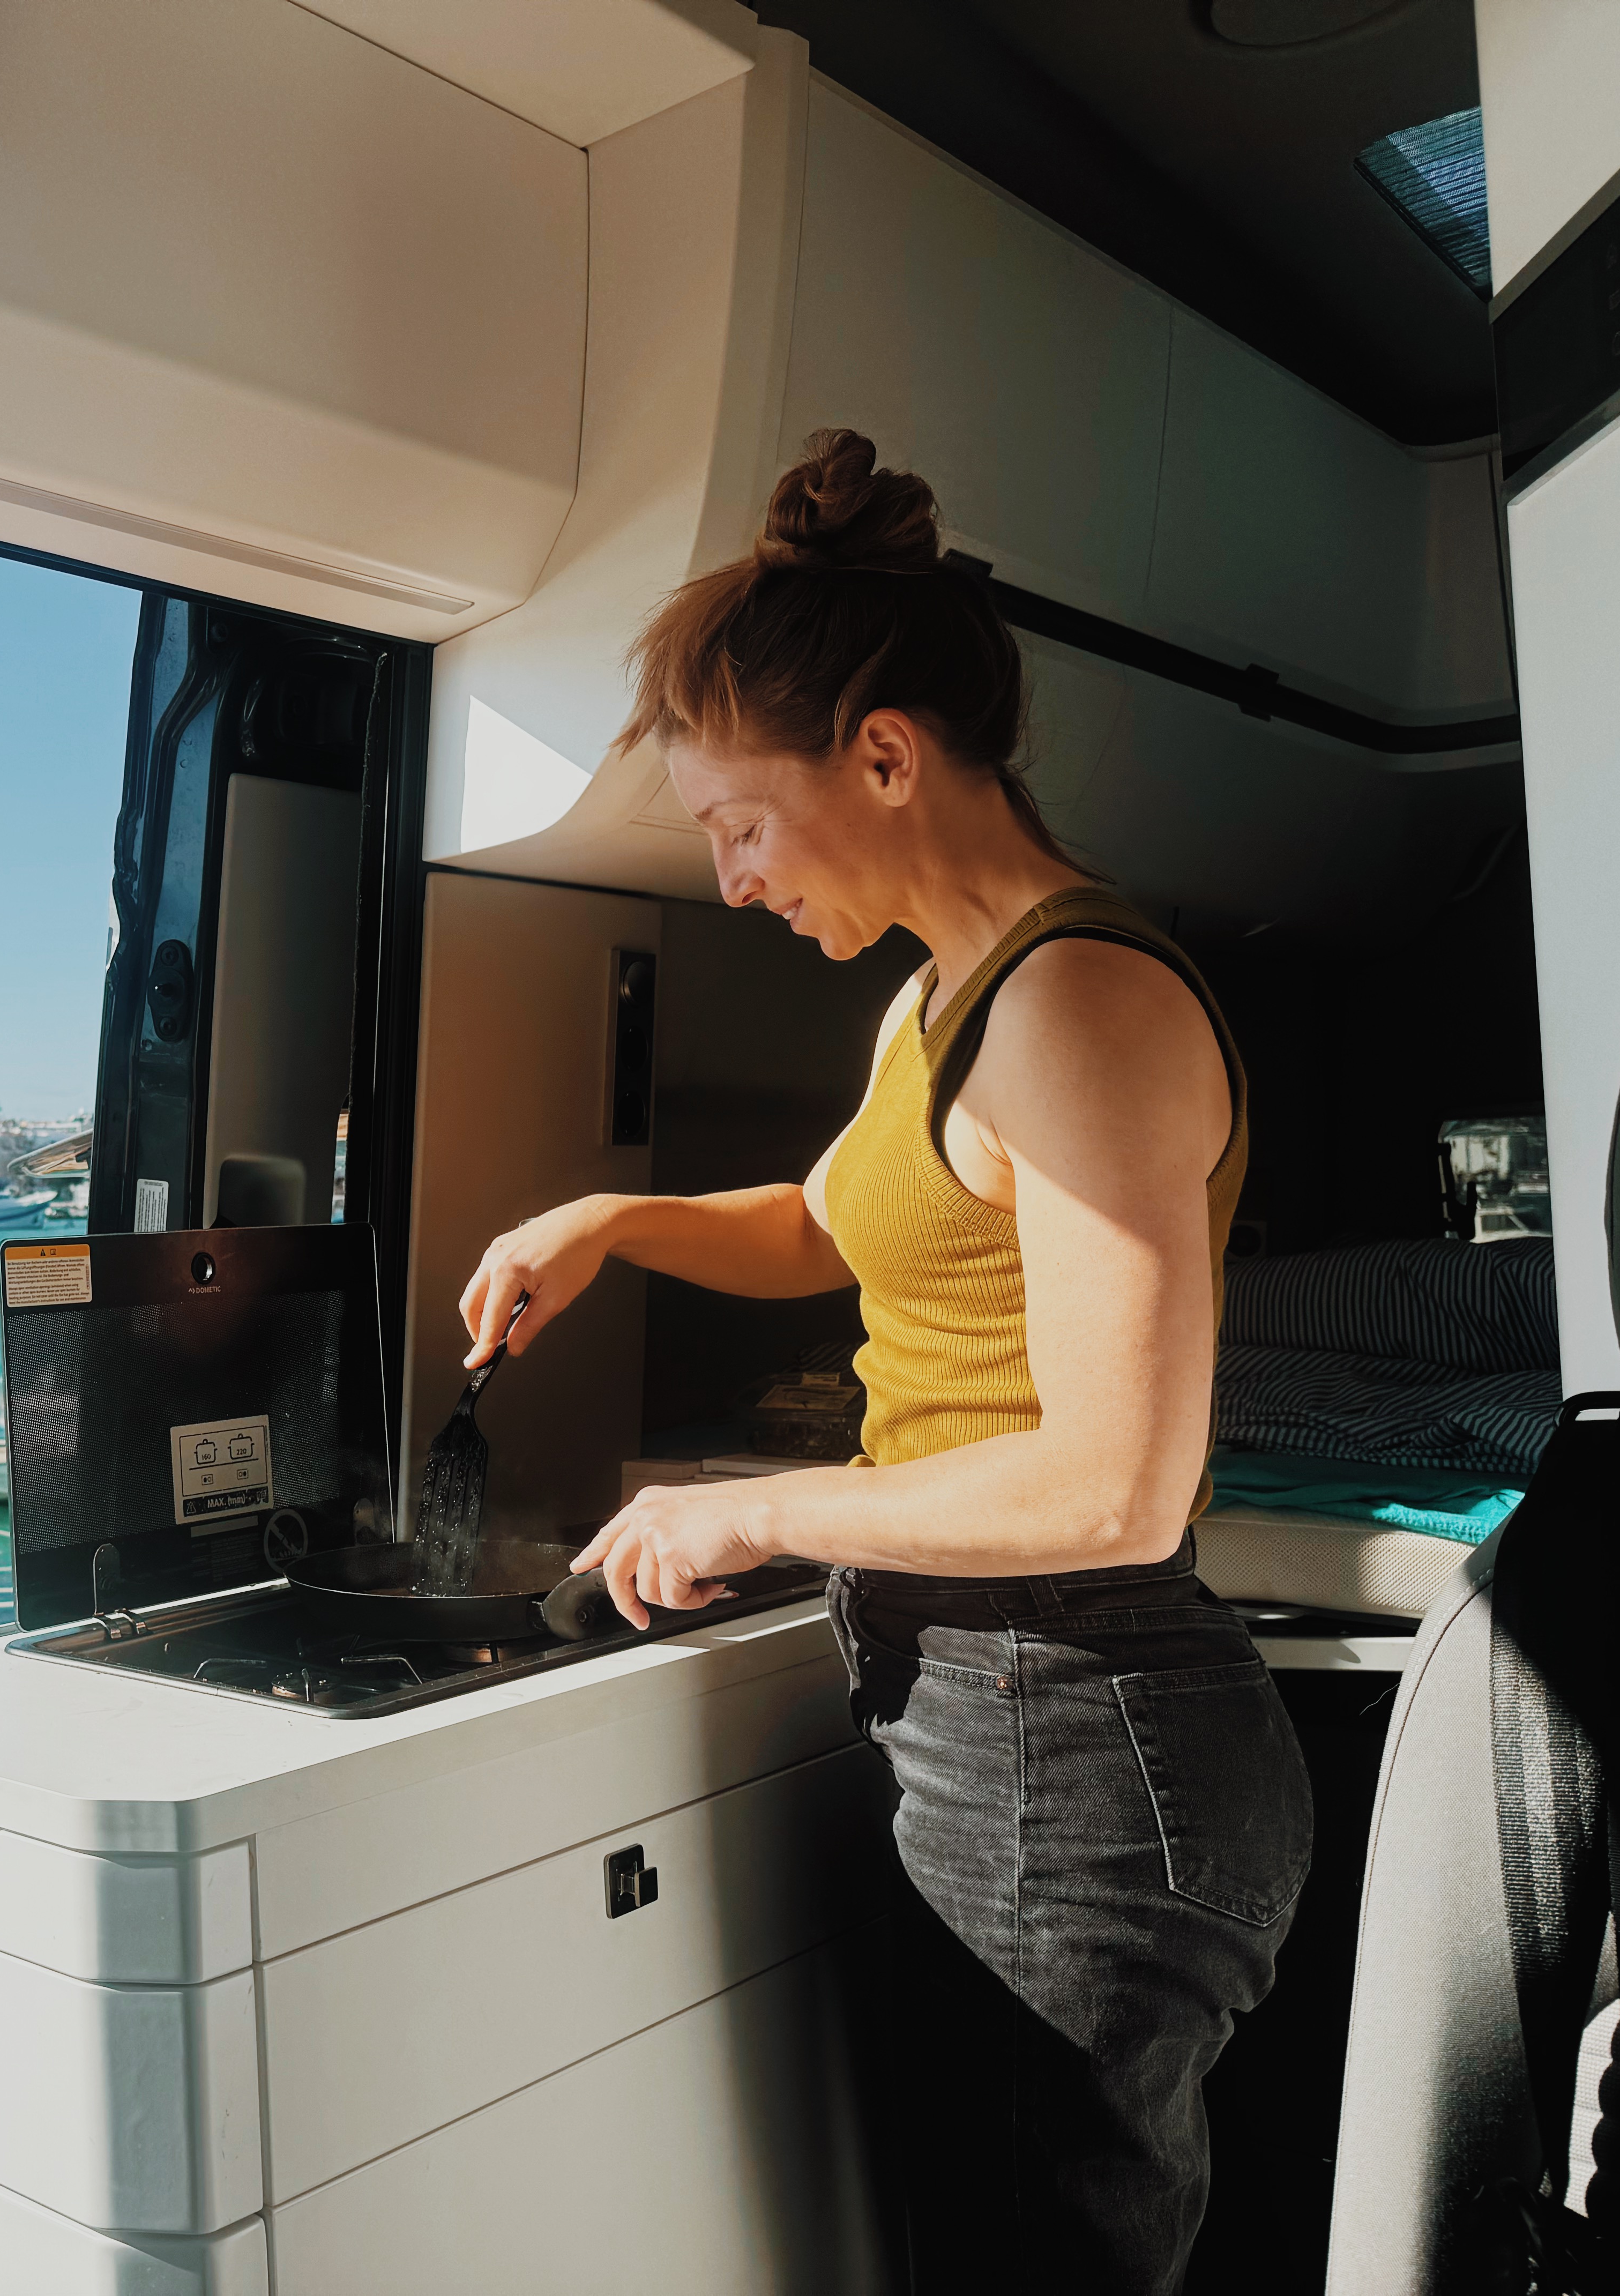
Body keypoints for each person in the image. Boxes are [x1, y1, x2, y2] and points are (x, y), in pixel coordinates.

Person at [459, 430, 1311, 2294]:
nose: (731, 879)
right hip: (1006, 1719)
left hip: (1079, 1727)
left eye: (740, 825)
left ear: (888, 756)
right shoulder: (939, 999)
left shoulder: (1079, 1000)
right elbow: (834, 1222)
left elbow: (1115, 1482)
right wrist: (609, 1218)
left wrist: (758, 1507)